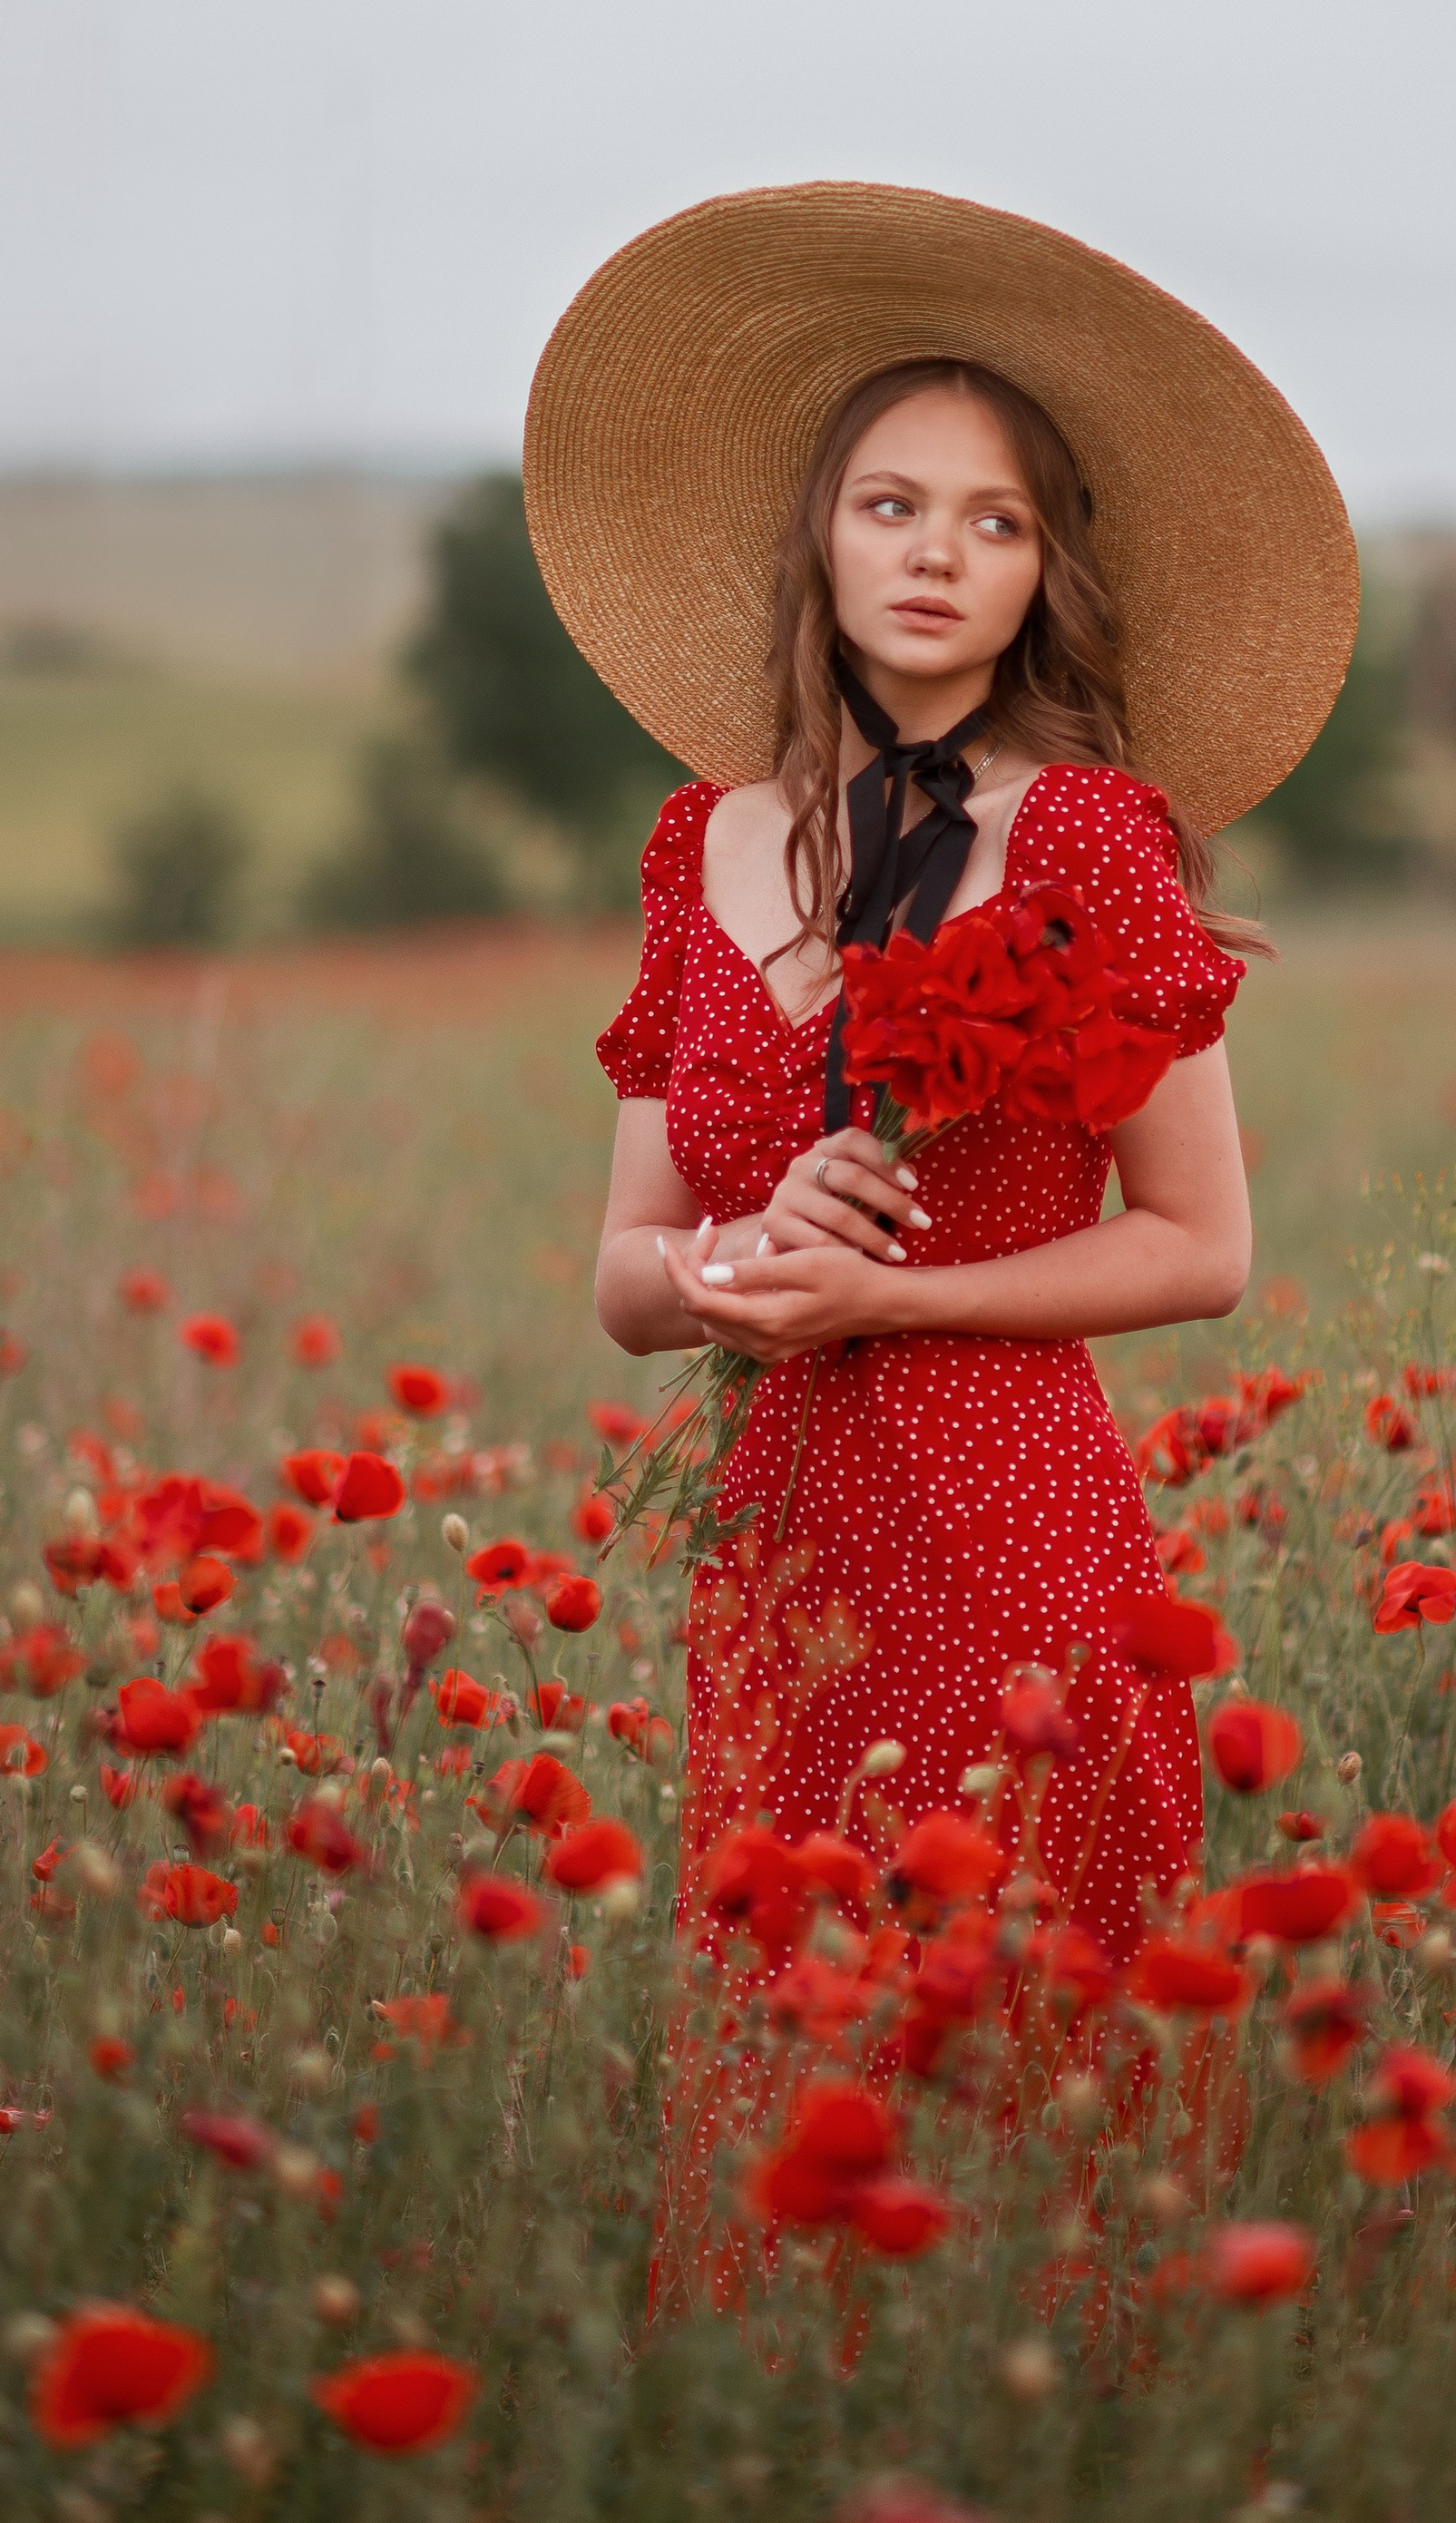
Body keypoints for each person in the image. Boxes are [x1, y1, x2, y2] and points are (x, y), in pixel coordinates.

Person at [524, 181, 1355, 1966]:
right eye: (889, 504)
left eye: (993, 522)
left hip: (1014, 1541)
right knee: (791, 2048)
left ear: (1042, 570)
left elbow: (1199, 1245)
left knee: (1019, 2080)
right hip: (780, 1558)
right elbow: (618, 1277)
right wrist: (732, 1262)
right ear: (815, 537)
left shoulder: (1084, 838)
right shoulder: (700, 845)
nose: (934, 552)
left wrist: (893, 1298)